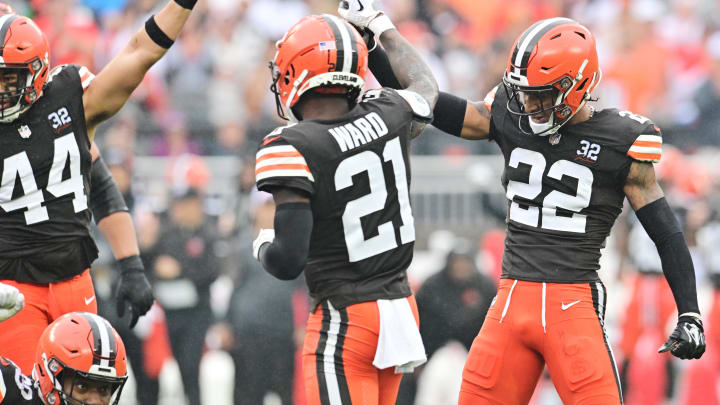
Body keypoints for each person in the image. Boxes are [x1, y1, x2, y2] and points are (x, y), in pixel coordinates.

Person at [358, 9, 706, 403]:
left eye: (542, 94)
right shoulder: (510, 112)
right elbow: (432, 106)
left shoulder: (620, 137)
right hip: (510, 302)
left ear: (578, 85)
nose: (528, 103)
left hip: (573, 305)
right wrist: (374, 45)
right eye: (524, 91)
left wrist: (689, 311)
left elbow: (664, 231)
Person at [251, 4, 438, 405]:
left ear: (294, 74)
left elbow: (287, 261)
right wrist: (381, 28)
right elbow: (424, 85)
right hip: (400, 309)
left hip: (346, 318)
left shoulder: (289, 145)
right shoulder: (389, 112)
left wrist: (262, 243)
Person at [0, 0, 198, 374]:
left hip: (75, 279)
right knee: (26, 392)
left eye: (6, 78)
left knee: (85, 388)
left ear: (36, 71)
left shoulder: (69, 98)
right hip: (13, 288)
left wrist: (132, 265)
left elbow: (140, 52)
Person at [0, 311, 128, 405]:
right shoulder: (12, 393)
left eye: (103, 390)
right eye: (82, 387)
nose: (94, 402)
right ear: (52, 378)